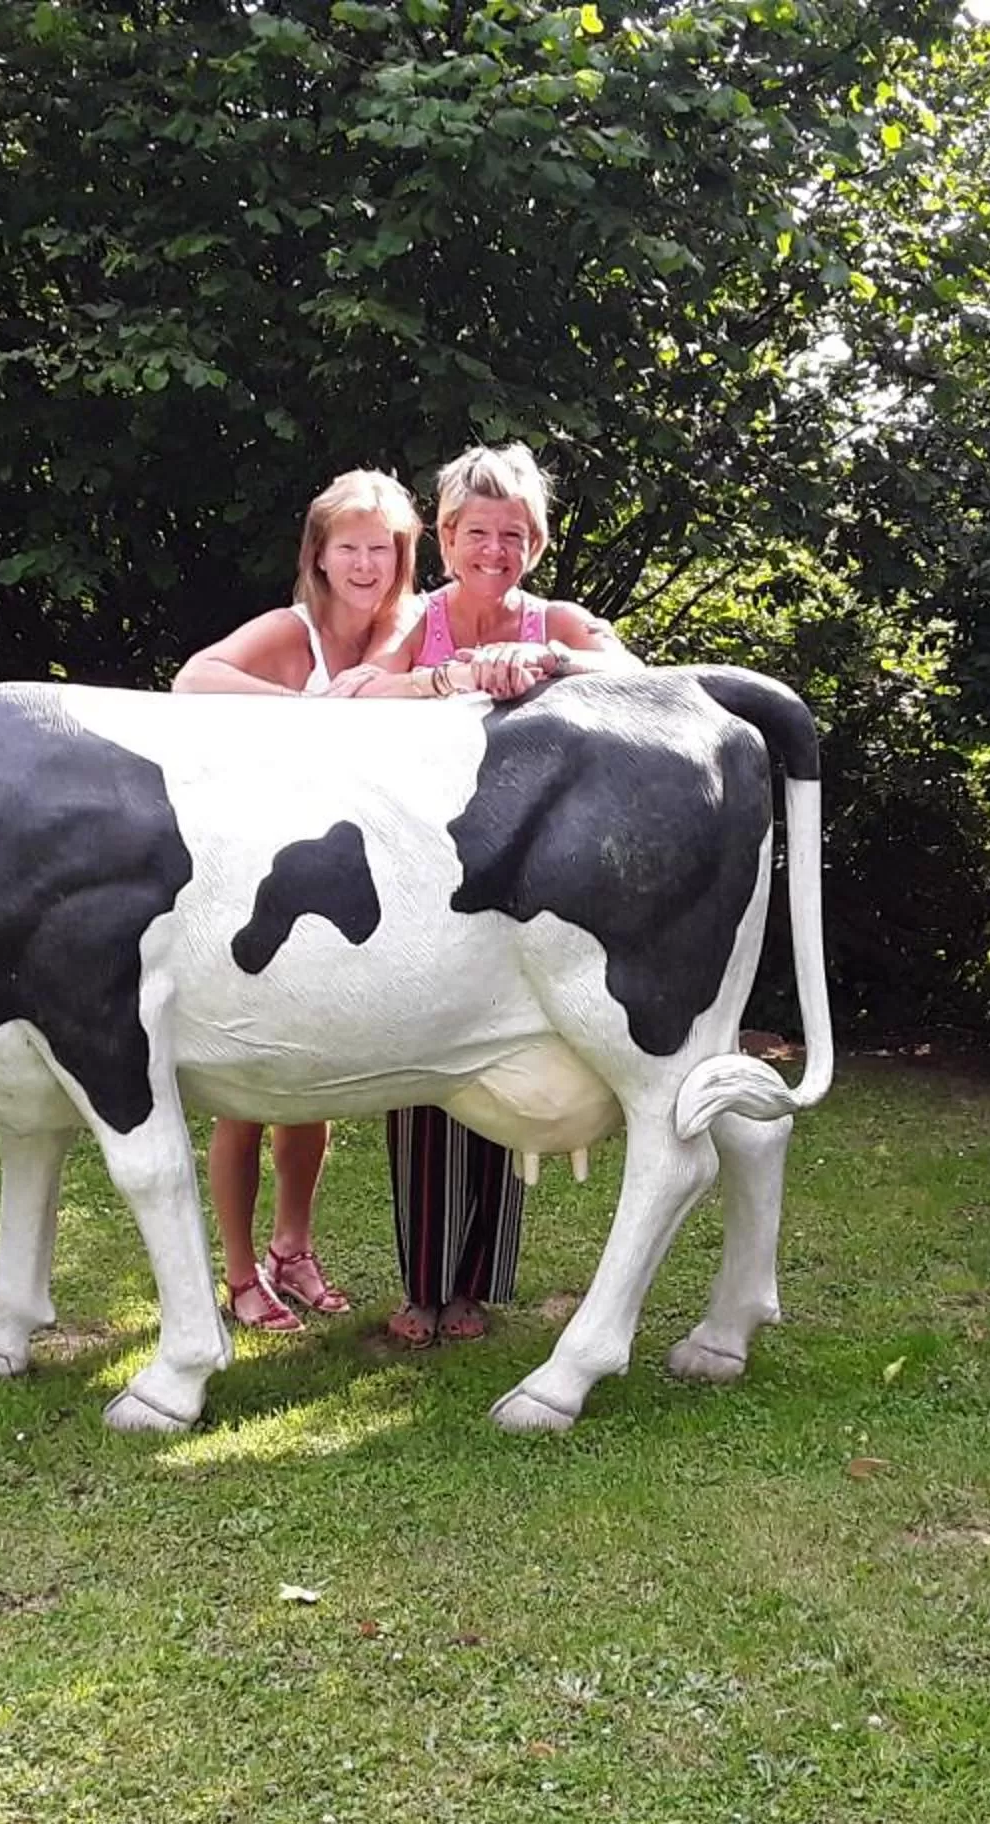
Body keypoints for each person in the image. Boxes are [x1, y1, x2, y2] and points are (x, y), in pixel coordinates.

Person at [385, 443, 641, 1348]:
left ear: (533, 542)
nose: (495, 548)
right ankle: (419, 1288)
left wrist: (542, 664)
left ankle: (475, 1290)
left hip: (524, 884)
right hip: (420, 881)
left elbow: (637, 677)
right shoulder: (418, 619)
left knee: (507, 1074)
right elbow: (356, 690)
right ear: (447, 537)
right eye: (477, 532)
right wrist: (451, 675)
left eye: (514, 534)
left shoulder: (555, 617)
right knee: (421, 1078)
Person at [171, 468, 428, 1332]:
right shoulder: (293, 631)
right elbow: (194, 680)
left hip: (357, 890)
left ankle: (294, 1249)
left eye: (381, 549)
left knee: (310, 1091)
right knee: (248, 1089)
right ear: (319, 554)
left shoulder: (408, 635)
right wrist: (300, 711)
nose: (365, 564)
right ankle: (241, 1275)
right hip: (265, 884)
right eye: (349, 547)